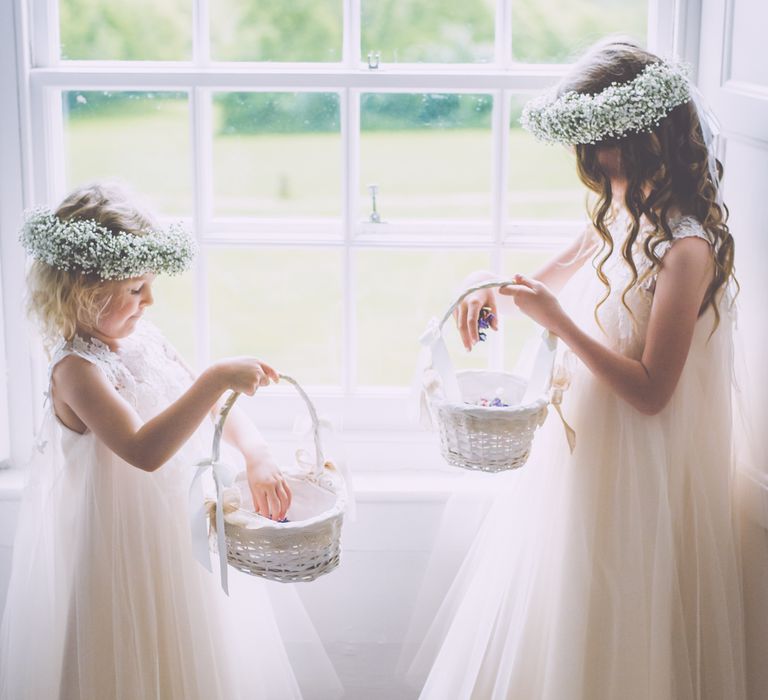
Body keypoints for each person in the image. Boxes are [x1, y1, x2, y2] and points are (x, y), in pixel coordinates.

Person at [408, 39, 748, 699]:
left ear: (645, 136)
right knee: (564, 609)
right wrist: (491, 289)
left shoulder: (685, 248)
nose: (587, 162)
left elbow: (652, 392)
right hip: (584, 457)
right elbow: (546, 276)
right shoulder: (625, 211)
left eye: (598, 145)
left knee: (619, 614)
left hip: (636, 473)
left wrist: (558, 323)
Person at [0, 182, 341, 699]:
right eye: (136, 290)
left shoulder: (144, 337)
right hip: (119, 547)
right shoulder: (76, 370)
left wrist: (256, 452)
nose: (150, 301)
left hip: (175, 531)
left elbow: (204, 406)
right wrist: (215, 378)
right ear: (83, 290)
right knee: (126, 655)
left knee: (193, 651)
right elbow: (144, 450)